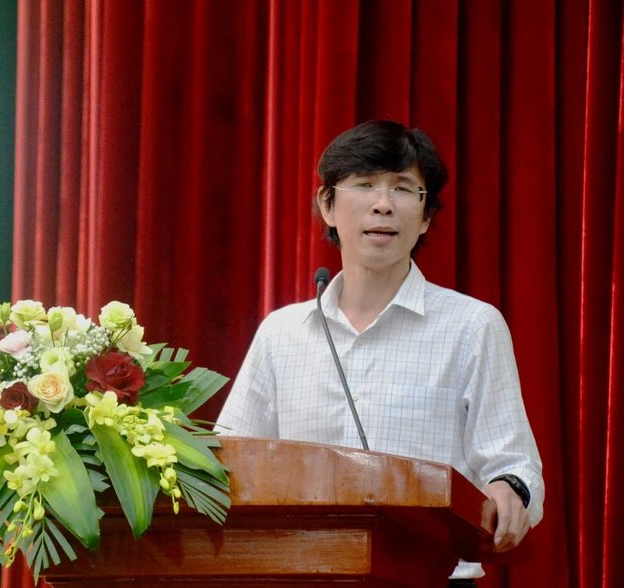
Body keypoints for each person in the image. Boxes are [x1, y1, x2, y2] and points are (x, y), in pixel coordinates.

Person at [216, 119, 544, 585]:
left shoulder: (472, 326)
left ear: (425, 216)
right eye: (365, 184)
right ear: (327, 205)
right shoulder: (282, 333)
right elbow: (230, 462)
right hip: (301, 574)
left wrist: (509, 490)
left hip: (434, 578)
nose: (383, 204)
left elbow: (514, 465)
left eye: (404, 189)